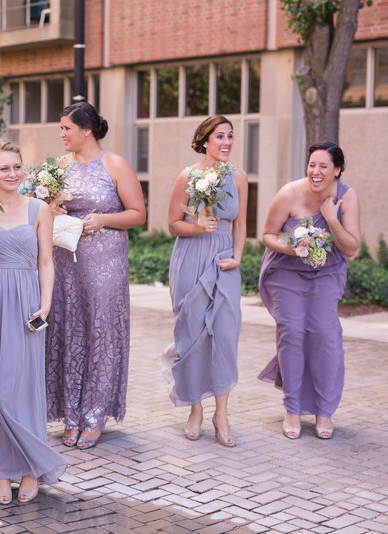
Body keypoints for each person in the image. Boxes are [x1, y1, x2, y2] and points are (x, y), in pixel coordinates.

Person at [0, 139, 67, 504]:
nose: (12, 174)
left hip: (25, 306)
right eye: (4, 168)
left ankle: (29, 468)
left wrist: (46, 304)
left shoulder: (39, 209)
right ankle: (0, 470)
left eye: (17, 166)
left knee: (21, 389)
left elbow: (46, 262)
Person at [46, 102, 146, 449]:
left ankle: (94, 415)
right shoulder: (59, 166)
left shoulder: (113, 164)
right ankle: (70, 414)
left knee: (100, 333)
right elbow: (44, 210)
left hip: (105, 262)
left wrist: (103, 220)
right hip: (65, 261)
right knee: (70, 332)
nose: (61, 134)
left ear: (86, 130)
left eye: (66, 128)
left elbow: (138, 213)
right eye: (60, 128)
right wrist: (51, 208)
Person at [258, 142, 361, 440]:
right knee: (291, 331)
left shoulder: (348, 197)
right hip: (287, 271)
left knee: (325, 336)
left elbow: (352, 248)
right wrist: (290, 248)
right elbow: (267, 234)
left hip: (326, 273)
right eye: (312, 165)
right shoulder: (289, 192)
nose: (316, 172)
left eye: (323, 166)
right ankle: (292, 409)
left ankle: (324, 411)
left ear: (337, 170)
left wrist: (331, 218)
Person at [161, 115, 248, 447]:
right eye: (220, 136)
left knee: (225, 335)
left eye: (230, 136)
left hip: (223, 259)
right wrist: (198, 227)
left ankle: (221, 414)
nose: (226, 142)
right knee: (192, 335)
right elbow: (172, 223)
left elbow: (240, 223)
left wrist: (238, 257)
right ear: (205, 140)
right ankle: (195, 408)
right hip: (191, 259)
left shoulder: (238, 176)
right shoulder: (188, 175)